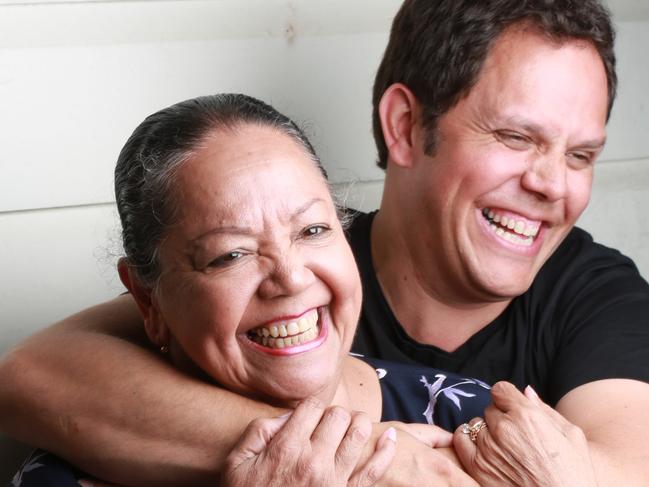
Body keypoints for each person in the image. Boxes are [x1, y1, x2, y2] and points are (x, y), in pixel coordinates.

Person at [2, 0, 649, 485]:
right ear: (403, 126)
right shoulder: (302, 283)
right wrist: (368, 461)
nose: (549, 185)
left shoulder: (595, 295)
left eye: (581, 154)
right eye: (514, 137)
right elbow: (33, 376)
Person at [8, 93, 492, 486]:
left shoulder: (474, 422)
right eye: (230, 255)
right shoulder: (61, 478)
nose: (292, 278)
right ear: (147, 301)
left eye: (313, 231)